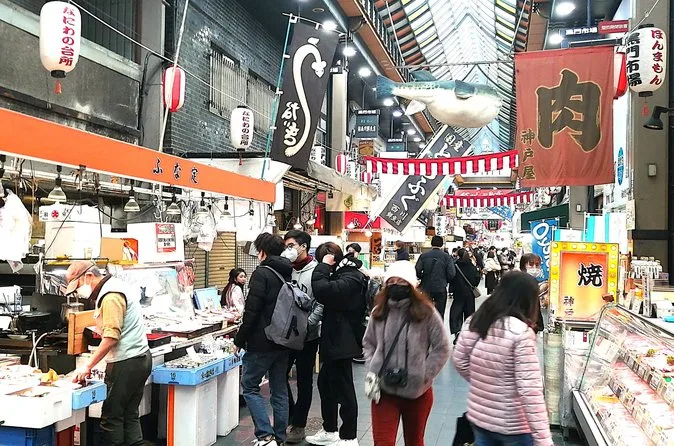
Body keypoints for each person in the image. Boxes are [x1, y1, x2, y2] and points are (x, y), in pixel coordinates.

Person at [453, 271, 553, 446]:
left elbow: (460, 360)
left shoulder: (475, 321)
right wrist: (544, 440)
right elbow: (530, 391)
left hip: (480, 417)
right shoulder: (521, 333)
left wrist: (485, 383)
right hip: (514, 426)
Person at [363, 261, 450, 446]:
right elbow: (368, 342)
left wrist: (424, 373)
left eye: (401, 281)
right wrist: (373, 366)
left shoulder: (426, 312)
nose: (396, 285)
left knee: (414, 441)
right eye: (391, 281)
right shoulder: (379, 311)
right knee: (382, 442)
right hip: (384, 390)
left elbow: (442, 346)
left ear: (412, 284)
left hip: (418, 392)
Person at [66, 261, 151, 446]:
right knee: (129, 414)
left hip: (126, 362)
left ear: (89, 276)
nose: (78, 292)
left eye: (77, 286)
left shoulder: (110, 296)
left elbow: (112, 336)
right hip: (139, 358)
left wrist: (88, 366)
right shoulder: (115, 286)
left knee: (112, 418)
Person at [234, 233, 293, 446]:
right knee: (280, 389)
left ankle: (265, 436)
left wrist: (239, 340)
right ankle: (279, 437)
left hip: (261, 341)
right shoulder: (287, 272)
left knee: (250, 386)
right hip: (283, 340)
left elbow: (252, 311)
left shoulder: (262, 273)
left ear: (262, 252)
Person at [307, 242, 366, 446]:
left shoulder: (350, 277)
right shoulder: (343, 274)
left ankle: (349, 436)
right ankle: (330, 429)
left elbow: (322, 290)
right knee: (326, 384)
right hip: (335, 339)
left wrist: (322, 267)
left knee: (344, 388)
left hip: (343, 341)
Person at [282, 230, 322, 444]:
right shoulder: (285, 268)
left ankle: (299, 425)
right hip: (285, 335)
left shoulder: (316, 271)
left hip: (308, 336)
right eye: (286, 246)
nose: (287, 250)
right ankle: (290, 415)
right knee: (279, 375)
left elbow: (321, 302)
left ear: (303, 246)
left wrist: (309, 324)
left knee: (304, 381)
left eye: (291, 246)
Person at [415, 235, 456, 320]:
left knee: (426, 311)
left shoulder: (424, 256)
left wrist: (422, 277)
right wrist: (445, 280)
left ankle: (426, 326)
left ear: (431, 243)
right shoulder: (446, 257)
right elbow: (452, 273)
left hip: (426, 287)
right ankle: (438, 327)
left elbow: (417, 270)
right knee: (440, 312)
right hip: (440, 287)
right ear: (441, 244)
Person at [449, 248, 481, 344]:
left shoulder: (455, 265)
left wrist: (452, 289)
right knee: (469, 315)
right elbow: (477, 278)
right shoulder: (472, 266)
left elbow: (451, 278)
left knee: (455, 314)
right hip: (469, 295)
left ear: (458, 255)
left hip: (458, 294)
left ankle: (457, 331)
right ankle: (468, 334)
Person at [520, 253, 546, 333]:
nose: (534, 268)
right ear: (523, 266)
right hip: (524, 325)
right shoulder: (520, 281)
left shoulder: (533, 281)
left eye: (537, 265)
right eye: (531, 265)